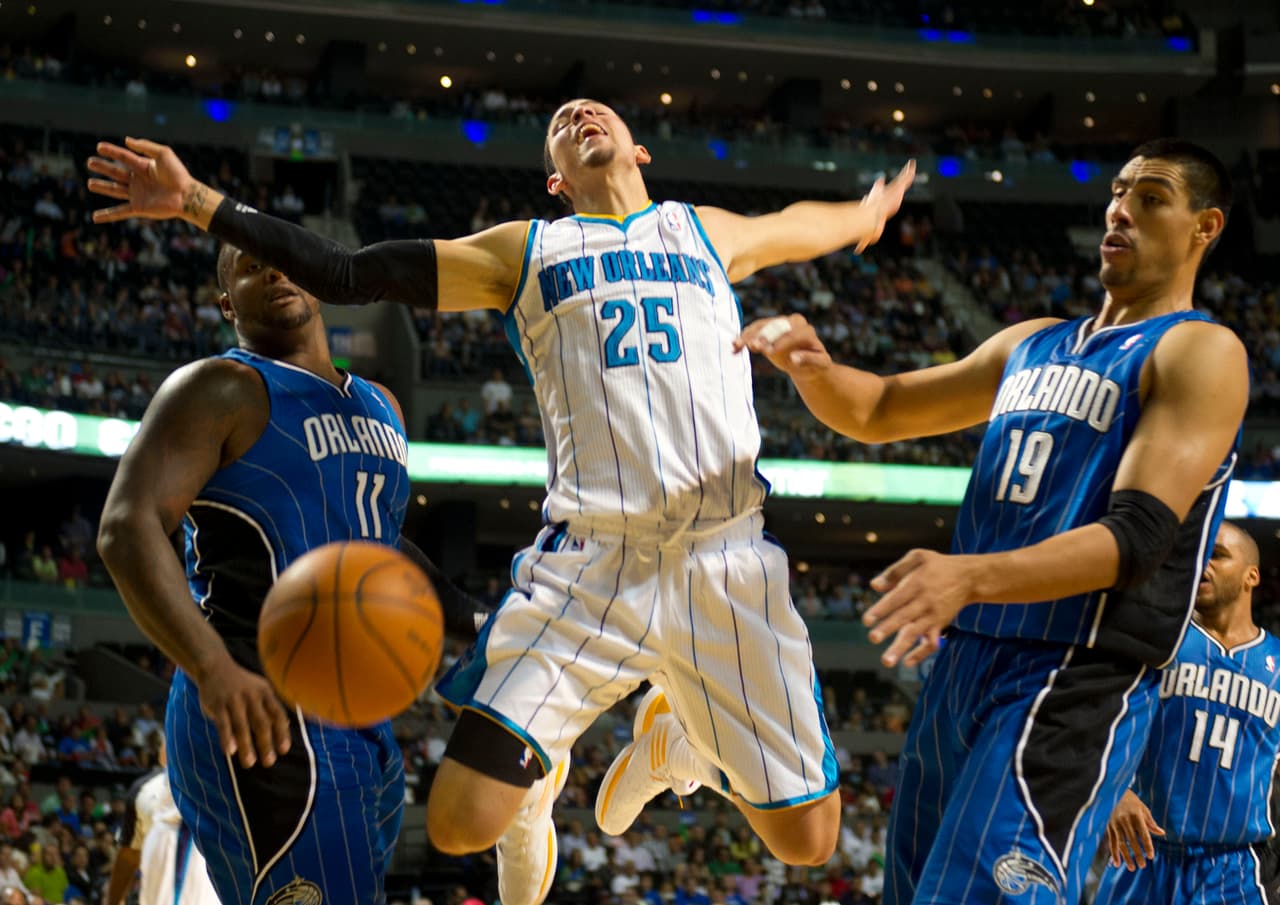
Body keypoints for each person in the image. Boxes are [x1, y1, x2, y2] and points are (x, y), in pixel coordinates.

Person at [86, 99, 913, 905]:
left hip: (725, 554)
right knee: (457, 824)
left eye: (595, 110)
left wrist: (864, 214)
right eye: (560, 122)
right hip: (592, 558)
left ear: (639, 149)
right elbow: (349, 271)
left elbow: (797, 223)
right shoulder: (527, 251)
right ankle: (546, 772)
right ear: (555, 180)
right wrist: (196, 202)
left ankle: (679, 746)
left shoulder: (704, 231)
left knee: (810, 840)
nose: (580, 116)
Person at [735, 138, 1246, 903]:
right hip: (969, 660)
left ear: (1205, 226)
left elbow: (1137, 538)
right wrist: (813, 368)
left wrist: (970, 575)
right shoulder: (1029, 343)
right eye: (1118, 191)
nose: (1120, 210)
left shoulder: (1200, 350)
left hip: (1072, 671)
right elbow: (880, 408)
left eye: (1151, 198)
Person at [88, 235, 491, 904]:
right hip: (259, 706)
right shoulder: (220, 387)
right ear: (227, 303)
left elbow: (379, 544)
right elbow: (126, 527)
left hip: (361, 712)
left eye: (285, 261)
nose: (275, 272)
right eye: (251, 267)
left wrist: (478, 620)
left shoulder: (382, 405)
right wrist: (211, 667)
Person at [1096, 522, 1280, 904]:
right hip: (1142, 855)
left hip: (1236, 869)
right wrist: (1114, 789)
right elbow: (1094, 722)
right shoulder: (1155, 640)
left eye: (1217, 555)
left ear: (1252, 576)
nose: (1202, 563)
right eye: (1198, 554)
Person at [106, 753, 221, 905]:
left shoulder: (144, 788)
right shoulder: (148, 790)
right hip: (181, 835)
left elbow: (128, 856)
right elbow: (128, 857)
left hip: (178, 840)